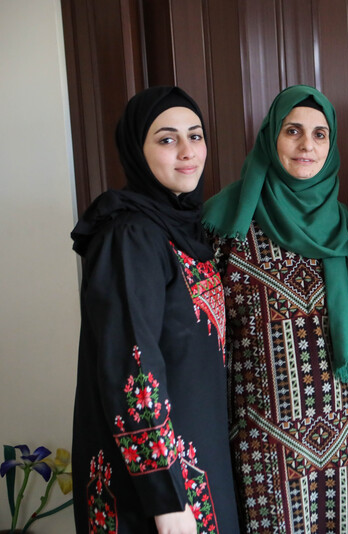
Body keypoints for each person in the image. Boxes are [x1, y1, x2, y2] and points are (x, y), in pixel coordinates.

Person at [202, 85, 348, 533]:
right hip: (261, 443)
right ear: (271, 137)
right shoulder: (226, 221)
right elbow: (201, 336)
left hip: (347, 437)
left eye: (320, 134)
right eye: (293, 131)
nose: (307, 145)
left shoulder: (346, 221)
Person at [70, 86, 240, 533]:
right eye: (167, 139)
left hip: (198, 462)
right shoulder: (130, 236)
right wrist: (166, 499)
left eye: (195, 136)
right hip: (158, 488)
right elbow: (131, 367)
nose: (187, 151)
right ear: (137, 150)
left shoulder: (182, 229)